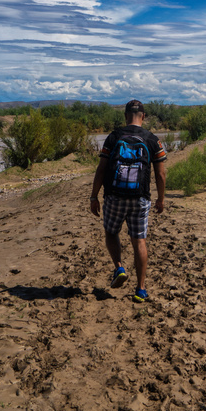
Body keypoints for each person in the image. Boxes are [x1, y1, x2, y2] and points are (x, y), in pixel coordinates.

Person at [90, 100, 167, 303]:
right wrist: (160, 199)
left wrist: (93, 196)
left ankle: (119, 267)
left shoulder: (114, 137)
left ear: (125, 116)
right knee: (139, 241)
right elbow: (161, 175)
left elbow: (102, 169)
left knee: (111, 232)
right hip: (140, 198)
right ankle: (140, 290)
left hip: (114, 196)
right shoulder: (152, 139)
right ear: (143, 116)